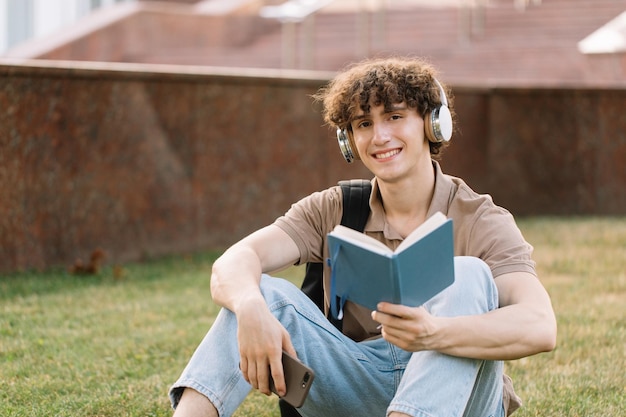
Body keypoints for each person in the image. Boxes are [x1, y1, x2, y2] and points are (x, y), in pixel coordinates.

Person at [169, 56, 557, 417]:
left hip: (461, 394)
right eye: (363, 124)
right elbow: (233, 262)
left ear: (432, 123)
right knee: (264, 294)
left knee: (468, 272)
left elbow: (540, 325)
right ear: (348, 139)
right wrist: (251, 308)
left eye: (394, 116)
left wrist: (434, 333)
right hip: (360, 378)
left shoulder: (481, 219)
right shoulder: (333, 208)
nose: (379, 137)